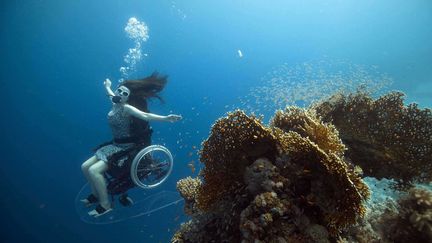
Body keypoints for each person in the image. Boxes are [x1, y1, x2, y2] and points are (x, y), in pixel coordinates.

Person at [80, 72, 182, 217]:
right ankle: (96, 195)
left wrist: (166, 118)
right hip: (114, 145)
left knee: (94, 171)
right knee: (85, 167)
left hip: (125, 148)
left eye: (124, 93)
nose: (120, 94)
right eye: (119, 90)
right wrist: (108, 86)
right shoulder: (115, 101)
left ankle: (106, 205)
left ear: (128, 98)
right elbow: (111, 94)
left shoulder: (127, 108)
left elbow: (145, 115)